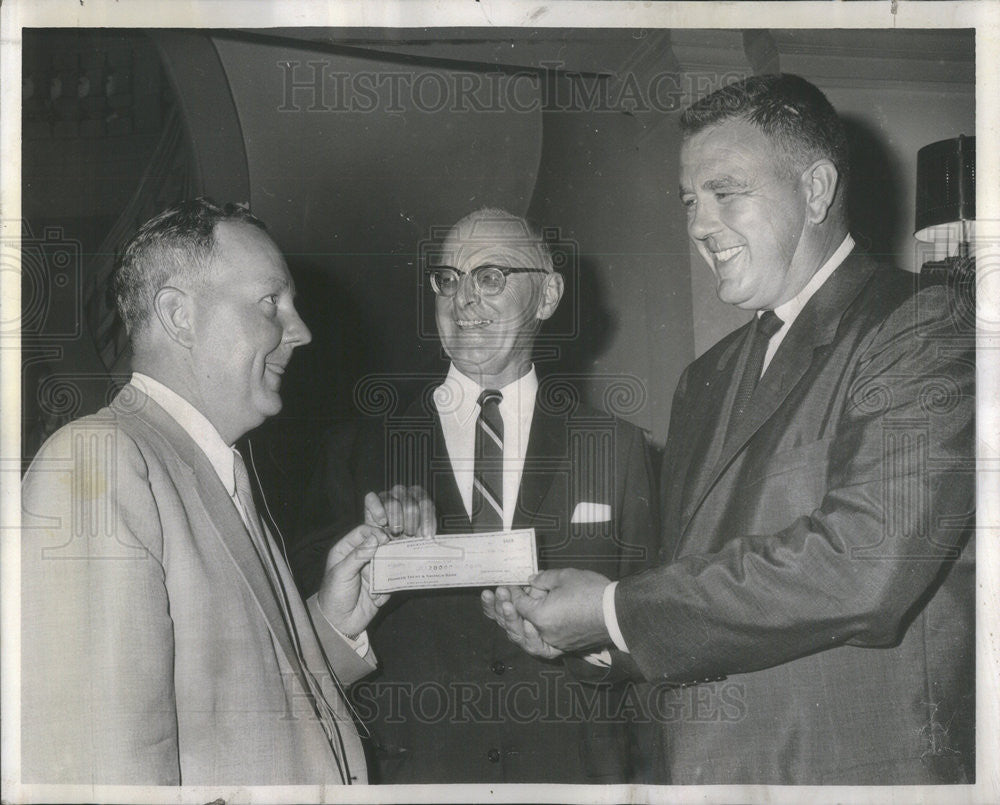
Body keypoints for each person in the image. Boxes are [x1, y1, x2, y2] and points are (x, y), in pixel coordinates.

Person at [483, 74, 975, 785]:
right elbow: (691, 591)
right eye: (689, 200)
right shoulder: (703, 379)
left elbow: (863, 567)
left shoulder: (927, 325)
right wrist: (591, 638)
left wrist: (614, 609)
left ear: (814, 190)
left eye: (725, 192)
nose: (698, 224)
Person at [20, 198, 401, 785]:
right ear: (179, 316)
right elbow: (101, 774)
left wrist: (331, 617)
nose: (300, 332)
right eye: (271, 302)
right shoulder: (98, 463)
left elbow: (231, 707)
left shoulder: (207, 465)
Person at [297, 209, 657, 783]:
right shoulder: (358, 449)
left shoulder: (615, 448)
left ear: (547, 295)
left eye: (489, 276)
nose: (463, 300)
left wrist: (585, 645)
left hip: (577, 782)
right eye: (447, 279)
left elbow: (657, 629)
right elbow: (302, 640)